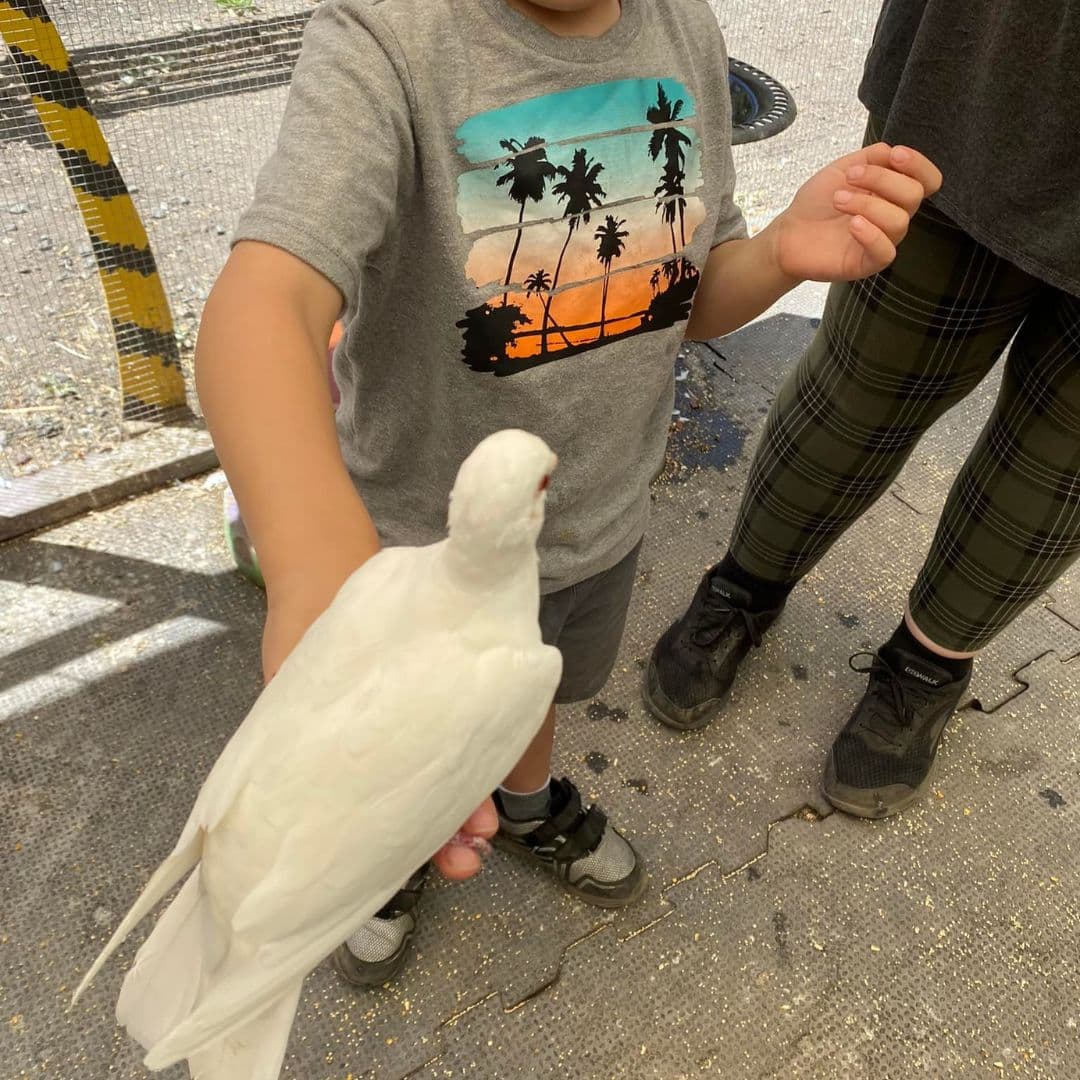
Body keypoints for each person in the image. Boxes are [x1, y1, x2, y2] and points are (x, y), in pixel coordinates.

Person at [196, 0, 939, 986]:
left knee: (535, 684)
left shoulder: (683, 31)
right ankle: (391, 853)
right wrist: (313, 565)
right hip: (420, 551)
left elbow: (681, 294)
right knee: (404, 750)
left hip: (596, 519)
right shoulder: (387, 39)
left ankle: (526, 802)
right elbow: (267, 298)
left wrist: (773, 256)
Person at [646, 0, 1079, 819]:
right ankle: (746, 586)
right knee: (865, 385)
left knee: (1061, 463)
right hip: (989, 77)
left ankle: (928, 665)